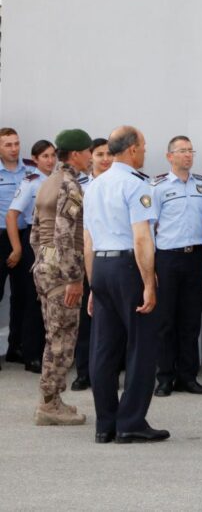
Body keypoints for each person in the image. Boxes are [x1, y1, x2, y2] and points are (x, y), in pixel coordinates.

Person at [83, 126, 166, 444]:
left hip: (102, 265)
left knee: (103, 348)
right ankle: (131, 421)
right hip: (128, 265)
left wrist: (93, 284)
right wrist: (148, 283)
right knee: (141, 345)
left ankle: (105, 423)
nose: (145, 151)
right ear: (132, 149)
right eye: (143, 145)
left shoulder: (95, 185)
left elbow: (87, 242)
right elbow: (142, 237)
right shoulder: (136, 185)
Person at [29, 129, 92, 426]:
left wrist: (45, 263)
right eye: (89, 151)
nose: (92, 156)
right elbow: (64, 235)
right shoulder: (70, 185)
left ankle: (51, 399)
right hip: (61, 272)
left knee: (53, 335)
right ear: (77, 154)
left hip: (43, 267)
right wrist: (73, 278)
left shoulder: (47, 183)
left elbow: (35, 234)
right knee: (62, 339)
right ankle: (49, 403)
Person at [146, 136, 202, 398]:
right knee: (165, 320)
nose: (188, 155)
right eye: (182, 151)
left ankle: (188, 376)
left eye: (190, 151)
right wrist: (150, 266)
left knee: (190, 320)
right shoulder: (158, 187)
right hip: (167, 258)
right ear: (169, 156)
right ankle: (164, 377)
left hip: (195, 258)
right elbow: (150, 227)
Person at [6, 139, 57, 372]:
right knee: (32, 299)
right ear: (35, 160)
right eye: (44, 156)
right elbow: (12, 215)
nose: (50, 160)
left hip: (55, 243)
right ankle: (31, 354)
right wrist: (17, 248)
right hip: (33, 242)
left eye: (53, 155)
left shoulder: (59, 181)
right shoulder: (31, 182)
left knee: (49, 298)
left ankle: (43, 350)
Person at [71, 137, 113, 391]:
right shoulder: (80, 187)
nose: (105, 159)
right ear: (91, 158)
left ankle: (110, 372)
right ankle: (83, 372)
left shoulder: (122, 184)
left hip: (114, 259)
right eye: (99, 154)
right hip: (86, 257)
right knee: (86, 321)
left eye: (109, 154)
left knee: (113, 320)